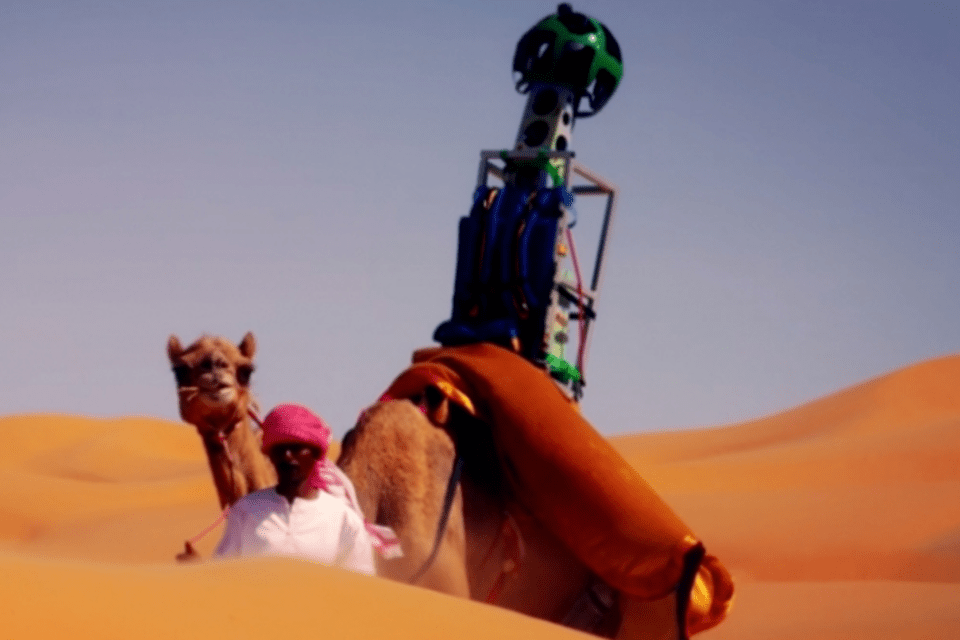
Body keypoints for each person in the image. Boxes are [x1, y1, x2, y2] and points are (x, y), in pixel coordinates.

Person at [212, 403, 376, 575]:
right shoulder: (246, 510)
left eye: (297, 448)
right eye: (280, 448)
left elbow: (362, 584)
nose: (287, 456)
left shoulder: (344, 519)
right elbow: (222, 572)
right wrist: (195, 566)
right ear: (270, 454)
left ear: (315, 453)